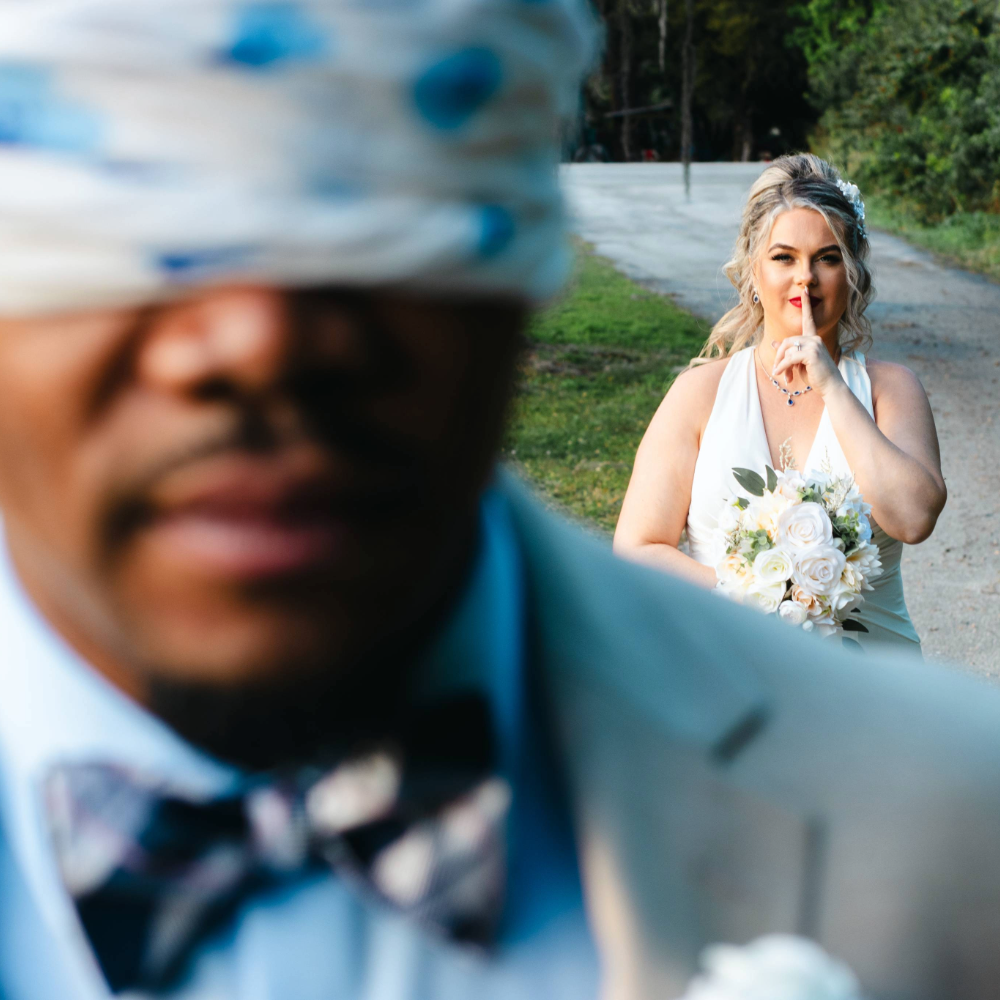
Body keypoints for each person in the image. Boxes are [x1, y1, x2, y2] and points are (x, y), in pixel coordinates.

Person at [2, 7, 1000, 1000]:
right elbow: (643, 537)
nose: (260, 345)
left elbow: (911, 509)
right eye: (125, 189)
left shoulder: (944, 826)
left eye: (377, 195)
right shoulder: (706, 392)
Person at [614, 154, 945, 652]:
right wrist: (755, 595)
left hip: (875, 684)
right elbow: (638, 548)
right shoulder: (699, 394)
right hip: (735, 670)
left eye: (828, 258)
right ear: (753, 269)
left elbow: (914, 519)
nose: (806, 277)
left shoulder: (891, 390)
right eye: (784, 257)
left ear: (852, 270)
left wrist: (834, 386)